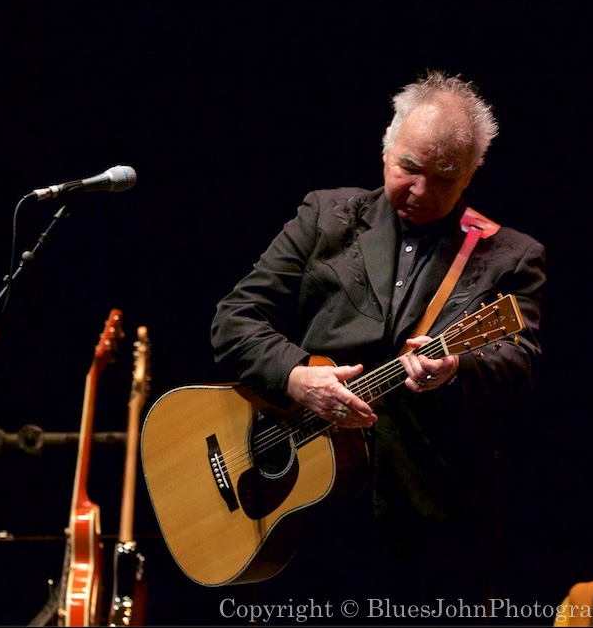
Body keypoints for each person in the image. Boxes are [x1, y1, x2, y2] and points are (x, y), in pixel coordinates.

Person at [210, 70, 546, 622]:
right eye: (408, 168)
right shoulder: (325, 216)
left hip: (428, 526)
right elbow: (235, 319)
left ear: (471, 175)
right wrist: (297, 376)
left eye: (443, 177)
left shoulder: (509, 256)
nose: (421, 191)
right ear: (386, 149)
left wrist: (456, 367)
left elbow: (519, 363)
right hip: (301, 518)